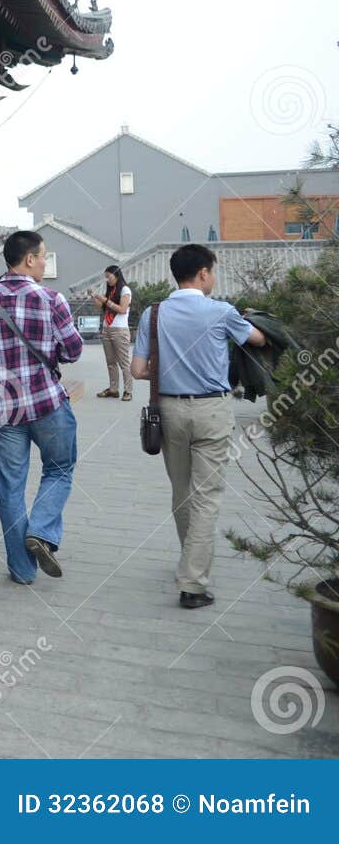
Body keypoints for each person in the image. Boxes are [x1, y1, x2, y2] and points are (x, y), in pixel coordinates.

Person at [131, 243, 265, 609]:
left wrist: (171, 369)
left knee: (181, 491)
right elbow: (258, 339)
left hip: (169, 411)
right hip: (211, 411)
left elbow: (138, 370)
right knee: (207, 495)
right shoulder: (222, 312)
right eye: (213, 272)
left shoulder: (153, 314)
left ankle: (190, 558)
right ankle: (192, 583)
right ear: (204, 274)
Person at [0, 230, 83, 585]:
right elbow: (74, 351)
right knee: (59, 469)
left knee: (11, 489)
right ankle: (42, 531)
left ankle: (21, 570)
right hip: (47, 403)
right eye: (43, 256)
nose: (45, 263)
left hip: (6, 410)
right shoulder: (51, 299)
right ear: (29, 259)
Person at [89, 264, 134, 400]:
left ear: (116, 275)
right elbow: (99, 307)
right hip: (107, 328)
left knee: (123, 362)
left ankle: (128, 390)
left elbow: (122, 309)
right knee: (110, 362)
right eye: (106, 277)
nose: (107, 280)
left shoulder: (125, 289)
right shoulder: (110, 291)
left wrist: (105, 300)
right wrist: (94, 297)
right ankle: (113, 389)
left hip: (119, 329)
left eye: (109, 277)